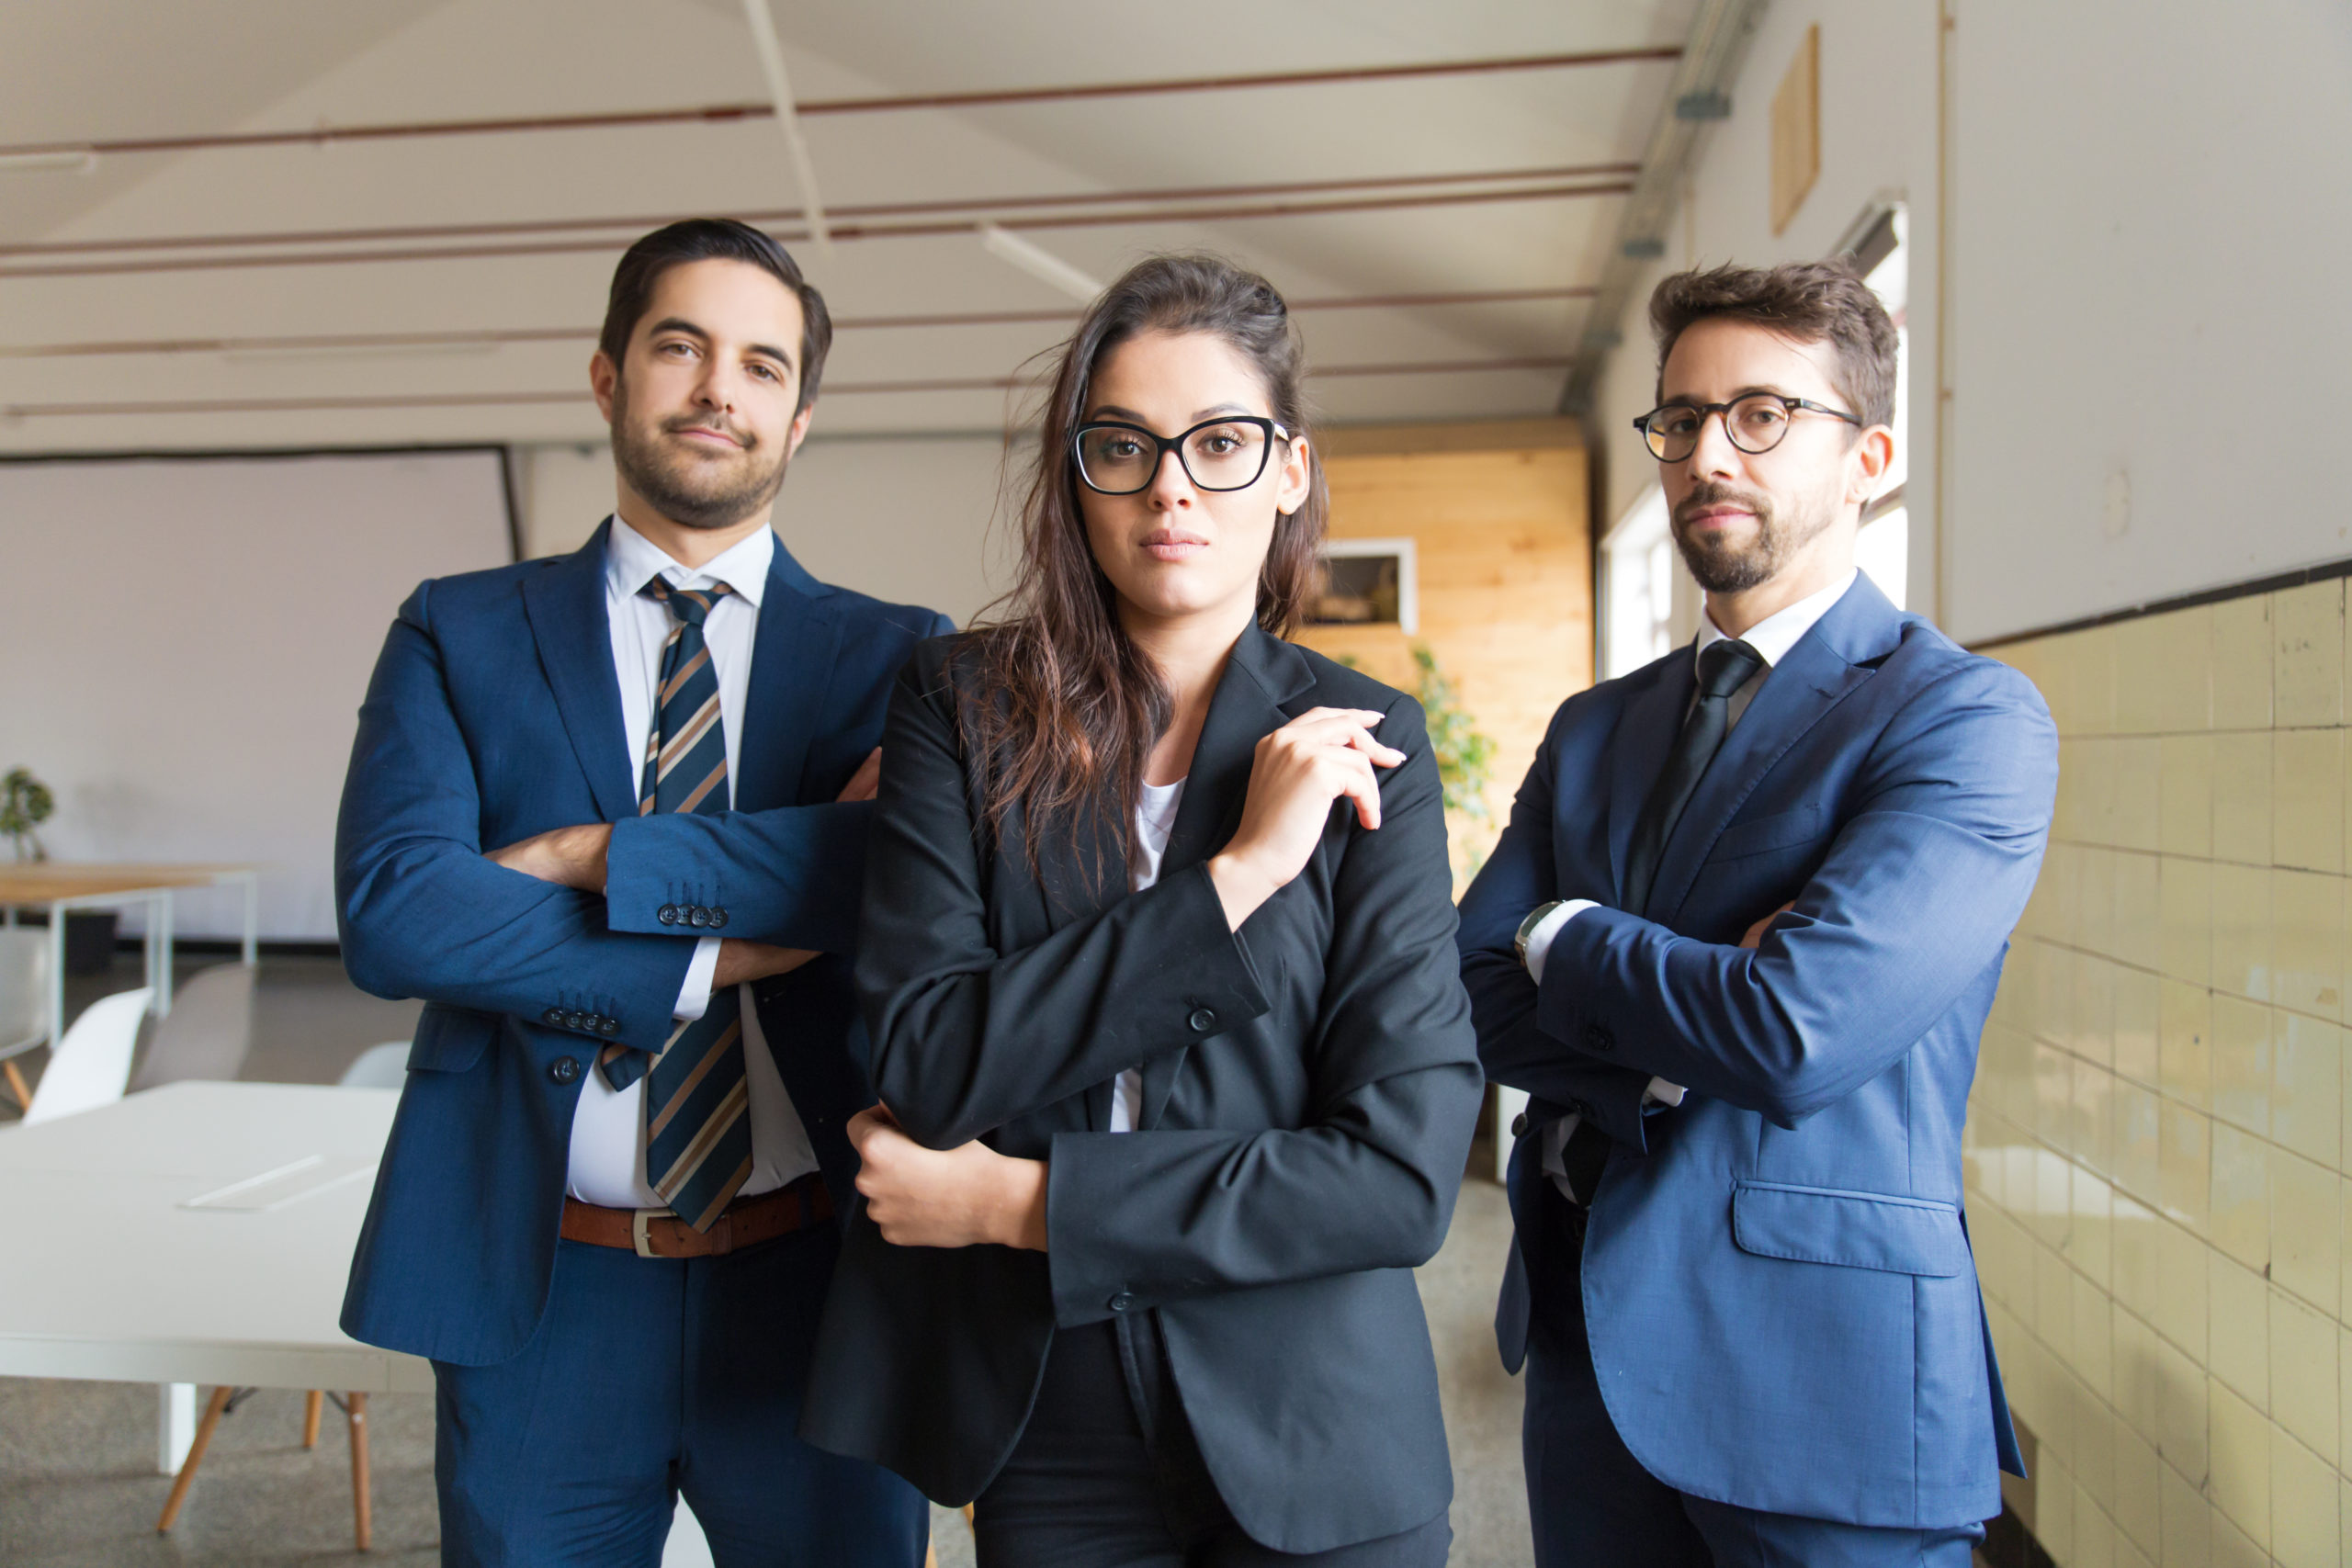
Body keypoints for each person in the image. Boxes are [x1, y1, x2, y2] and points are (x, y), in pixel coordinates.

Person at [797, 254, 1483, 1567]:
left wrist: (1021, 1204)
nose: (1171, 483)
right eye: (1123, 444)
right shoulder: (961, 708)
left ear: (1288, 471)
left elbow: (1395, 1179)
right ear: (1078, 474)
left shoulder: (1365, 738)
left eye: (1220, 442)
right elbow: (929, 1063)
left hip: (1315, 1423)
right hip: (1047, 1410)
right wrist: (1235, 879)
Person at [334, 218, 945, 1566]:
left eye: (764, 366)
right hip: (540, 1292)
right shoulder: (459, 627)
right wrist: (713, 952)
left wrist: (588, 856)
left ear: (801, 419)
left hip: (817, 1289)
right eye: (683, 347)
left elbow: (887, 882)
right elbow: (396, 912)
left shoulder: (906, 659)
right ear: (609, 377)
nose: (722, 388)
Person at [1457, 260, 2054, 1566]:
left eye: (1765, 414)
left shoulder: (1962, 718)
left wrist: (1566, 935)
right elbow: (1470, 994)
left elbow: (1797, 1031)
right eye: (1682, 420)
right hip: (1585, 1353)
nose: (1709, 452)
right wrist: (1685, 1039)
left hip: (1823, 1384)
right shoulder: (1597, 724)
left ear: (1870, 457)